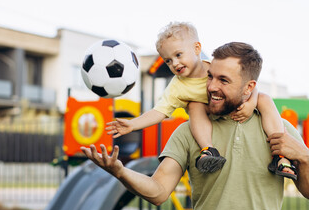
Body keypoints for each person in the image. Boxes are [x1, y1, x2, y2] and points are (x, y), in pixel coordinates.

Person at [81, 42, 309, 210]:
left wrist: (304, 157)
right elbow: (159, 191)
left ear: (249, 87)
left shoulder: (280, 129)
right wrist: (120, 172)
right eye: (210, 76)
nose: (211, 86)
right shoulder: (188, 131)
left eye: (223, 80)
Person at [106, 22, 297, 179]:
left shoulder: (214, 68)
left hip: (236, 107)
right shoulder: (178, 86)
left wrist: (251, 103)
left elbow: (250, 86)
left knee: (265, 99)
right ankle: (209, 150)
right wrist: (133, 124)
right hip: (209, 116)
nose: (175, 63)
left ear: (197, 48)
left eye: (178, 55)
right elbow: (159, 112)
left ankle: (281, 155)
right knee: (195, 105)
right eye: (168, 60)